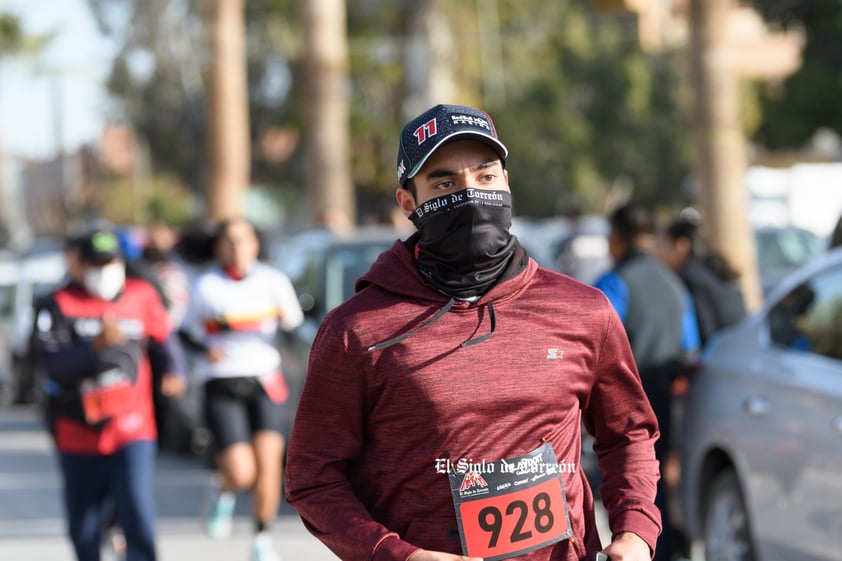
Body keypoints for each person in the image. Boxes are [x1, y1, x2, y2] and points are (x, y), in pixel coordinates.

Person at [285, 104, 661, 561]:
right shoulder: (358, 329)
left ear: (506, 182)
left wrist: (636, 530)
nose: (470, 194)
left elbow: (629, 433)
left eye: (485, 177)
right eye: (444, 184)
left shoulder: (582, 311)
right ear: (408, 203)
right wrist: (398, 555)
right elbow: (313, 478)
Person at [31, 228, 187, 561]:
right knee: (84, 524)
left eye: (111, 262)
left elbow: (165, 342)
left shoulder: (142, 295)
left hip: (132, 427)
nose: (105, 270)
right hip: (78, 430)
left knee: (136, 508)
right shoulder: (57, 303)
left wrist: (175, 371)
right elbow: (46, 361)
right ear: (79, 264)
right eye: (96, 263)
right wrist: (92, 348)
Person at [179, 217, 304, 561]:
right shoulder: (206, 285)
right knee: (241, 470)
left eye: (244, 240)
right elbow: (185, 332)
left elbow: (294, 328)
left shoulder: (274, 281)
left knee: (269, 465)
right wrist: (206, 349)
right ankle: (223, 489)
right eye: (229, 242)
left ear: (255, 244)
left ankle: (262, 540)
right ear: (218, 247)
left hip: (264, 380)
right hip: (221, 380)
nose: (237, 248)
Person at [593, 203, 699, 561]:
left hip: (621, 407)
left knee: (624, 484)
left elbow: (593, 345)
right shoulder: (675, 285)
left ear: (614, 238)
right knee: (655, 485)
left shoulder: (612, 285)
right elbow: (689, 345)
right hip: (666, 398)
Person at [654, 217, 747, 348]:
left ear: (681, 245)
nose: (656, 252)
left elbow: (704, 332)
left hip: (720, 356)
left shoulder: (691, 278)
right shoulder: (710, 269)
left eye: (661, 244)